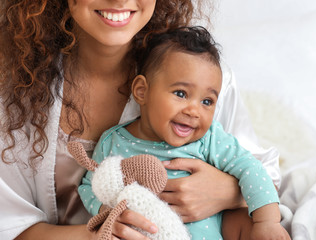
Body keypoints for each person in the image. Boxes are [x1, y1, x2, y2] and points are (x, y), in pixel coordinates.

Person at [0, 0, 282, 239]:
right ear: (141, 90)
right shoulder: (16, 92)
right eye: (180, 94)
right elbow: (11, 225)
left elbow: (263, 171)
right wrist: (105, 229)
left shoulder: (201, 78)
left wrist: (226, 191)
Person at [79, 26, 290, 240]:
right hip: (149, 232)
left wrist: (267, 222)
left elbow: (252, 169)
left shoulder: (209, 139)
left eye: (207, 101)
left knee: (245, 221)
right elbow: (89, 186)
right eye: (181, 94)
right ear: (142, 91)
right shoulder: (113, 142)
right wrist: (106, 212)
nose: (194, 111)